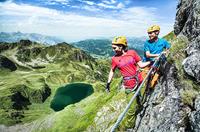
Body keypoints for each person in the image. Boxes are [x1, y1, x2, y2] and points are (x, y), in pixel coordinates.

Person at [105, 36, 151, 129]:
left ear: (121, 46)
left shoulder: (132, 53)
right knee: (131, 109)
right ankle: (130, 127)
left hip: (139, 80)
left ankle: (140, 108)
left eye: (114, 48)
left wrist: (152, 61)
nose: (113, 50)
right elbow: (112, 71)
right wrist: (108, 83)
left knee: (141, 99)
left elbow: (141, 65)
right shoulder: (114, 59)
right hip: (129, 85)